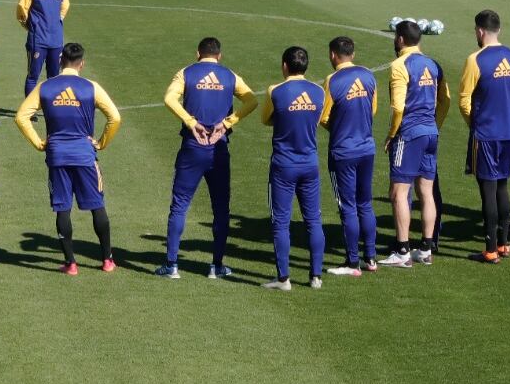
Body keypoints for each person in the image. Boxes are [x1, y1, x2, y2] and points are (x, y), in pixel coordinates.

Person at [16, 42, 122, 275]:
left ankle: (71, 264)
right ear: (81, 63)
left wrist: (39, 143)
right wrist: (101, 142)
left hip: (57, 155)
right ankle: (107, 260)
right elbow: (114, 117)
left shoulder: (45, 87)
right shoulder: (91, 87)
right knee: (97, 206)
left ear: (60, 60)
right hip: (85, 155)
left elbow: (21, 117)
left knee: (62, 208)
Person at [158, 37, 258, 279]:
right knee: (221, 209)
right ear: (219, 56)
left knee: (179, 206)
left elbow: (169, 99)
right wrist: (227, 123)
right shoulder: (230, 75)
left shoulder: (186, 73)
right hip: (219, 148)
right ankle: (216, 266)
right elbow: (252, 100)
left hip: (193, 147)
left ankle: (172, 266)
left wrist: (191, 122)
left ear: (197, 54)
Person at [381, 20, 449, 268]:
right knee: (426, 192)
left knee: (399, 192)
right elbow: (445, 100)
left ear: (399, 40)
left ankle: (401, 251)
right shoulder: (433, 64)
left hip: (408, 134)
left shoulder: (399, 65)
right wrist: (435, 125)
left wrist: (391, 134)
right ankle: (426, 248)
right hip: (431, 133)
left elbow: (398, 107)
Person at [261, 46, 326, 291]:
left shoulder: (275, 91)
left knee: (281, 222)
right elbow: (319, 118)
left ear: (285, 66)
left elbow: (265, 118)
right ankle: (316, 276)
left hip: (283, 165)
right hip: (310, 164)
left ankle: (283, 279)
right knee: (313, 220)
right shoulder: (319, 92)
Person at [458, 9, 510, 263]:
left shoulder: (476, 59)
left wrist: (473, 123)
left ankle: (490, 249)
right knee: (503, 186)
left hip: (485, 134)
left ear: (480, 31)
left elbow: (464, 100)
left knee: (488, 190)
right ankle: (504, 244)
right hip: (509, 132)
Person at [320, 36, 379, 276]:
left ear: (333, 55)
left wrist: (340, 127)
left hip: (343, 152)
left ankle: (352, 262)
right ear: (352, 54)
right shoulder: (368, 75)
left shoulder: (332, 80)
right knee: (365, 202)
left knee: (348, 205)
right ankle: (372, 258)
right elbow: (373, 109)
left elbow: (324, 117)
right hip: (367, 148)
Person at [17, 0, 70, 96]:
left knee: (54, 77)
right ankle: (29, 111)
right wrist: (30, 26)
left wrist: (59, 20)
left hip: (56, 42)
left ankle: (52, 107)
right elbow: (21, 9)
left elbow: (65, 7)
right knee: (33, 76)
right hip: (37, 41)